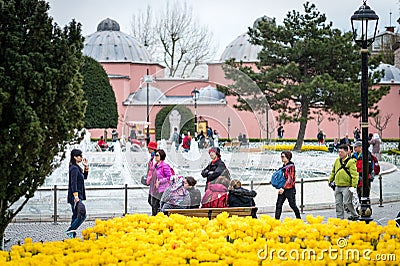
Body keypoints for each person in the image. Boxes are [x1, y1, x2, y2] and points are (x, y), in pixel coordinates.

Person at [328, 145, 359, 220]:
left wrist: (354, 186)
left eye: (341, 152)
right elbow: (333, 171)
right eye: (339, 152)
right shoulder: (337, 161)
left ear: (346, 152)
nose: (340, 153)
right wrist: (330, 180)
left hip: (347, 186)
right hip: (338, 186)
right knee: (338, 203)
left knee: (347, 202)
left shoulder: (351, 162)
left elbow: (354, 175)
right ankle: (340, 219)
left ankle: (355, 215)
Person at [66, 149, 89, 238]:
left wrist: (86, 167)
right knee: (82, 215)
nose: (81, 157)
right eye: (80, 156)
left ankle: (72, 235)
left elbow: (84, 178)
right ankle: (70, 231)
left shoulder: (76, 167)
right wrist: (76, 196)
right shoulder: (74, 168)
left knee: (75, 215)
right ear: (75, 157)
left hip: (77, 195)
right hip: (75, 196)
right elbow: (73, 183)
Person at [274, 151, 301, 220]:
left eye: (283, 157)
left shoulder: (291, 166)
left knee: (292, 205)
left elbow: (290, 179)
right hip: (283, 188)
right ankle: (276, 221)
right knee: (278, 205)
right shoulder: (284, 167)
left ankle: (299, 220)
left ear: (288, 157)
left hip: (290, 189)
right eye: (281, 156)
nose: (281, 158)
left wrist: (283, 188)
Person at [147, 149, 172, 215]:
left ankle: (157, 217)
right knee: (150, 201)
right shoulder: (155, 165)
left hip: (161, 189)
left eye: (157, 155)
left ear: (161, 156)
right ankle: (157, 215)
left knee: (155, 204)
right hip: (153, 188)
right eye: (155, 155)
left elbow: (169, 177)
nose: (155, 156)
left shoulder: (165, 166)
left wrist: (160, 181)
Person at [145, 141, 159, 216]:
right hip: (152, 183)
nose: (148, 150)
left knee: (153, 202)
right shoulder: (152, 158)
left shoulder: (155, 158)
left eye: (149, 148)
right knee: (151, 201)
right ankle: (156, 213)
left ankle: (156, 215)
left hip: (155, 183)